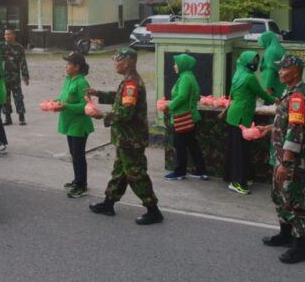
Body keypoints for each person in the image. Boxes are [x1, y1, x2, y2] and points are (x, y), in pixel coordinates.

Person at [86, 47, 163, 225]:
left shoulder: (132, 84)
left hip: (131, 138)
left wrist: (102, 116)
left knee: (136, 174)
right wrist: (98, 94)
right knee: (120, 172)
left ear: (127, 62)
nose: (115, 63)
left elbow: (126, 112)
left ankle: (153, 210)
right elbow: (120, 98)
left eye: (117, 60)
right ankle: (108, 203)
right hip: (126, 137)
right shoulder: (128, 82)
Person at [259, 55, 305, 264]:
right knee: (279, 196)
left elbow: (296, 129)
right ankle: (285, 235)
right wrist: (268, 128)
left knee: (293, 201)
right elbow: (285, 123)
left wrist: (286, 162)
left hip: (291, 161)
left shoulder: (298, 97)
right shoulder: (289, 93)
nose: (279, 72)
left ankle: (301, 248)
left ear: (295, 71)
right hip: (279, 156)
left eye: (283, 68)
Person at [224, 51, 276, 195]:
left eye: (256, 61)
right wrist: (277, 100)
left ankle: (236, 176)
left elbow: (232, 94)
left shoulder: (238, 74)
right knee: (239, 151)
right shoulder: (249, 78)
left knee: (236, 149)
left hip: (234, 115)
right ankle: (236, 182)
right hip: (241, 117)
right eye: (253, 61)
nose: (255, 64)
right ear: (246, 61)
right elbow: (262, 93)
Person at [54, 52, 93, 198]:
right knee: (74, 154)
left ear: (77, 66)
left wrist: (66, 107)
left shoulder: (82, 82)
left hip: (79, 124)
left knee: (78, 155)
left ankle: (81, 185)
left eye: (69, 64)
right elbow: (65, 97)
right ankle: (77, 180)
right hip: (70, 123)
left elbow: (85, 105)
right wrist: (56, 101)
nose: (66, 66)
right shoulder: (69, 79)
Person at [164, 54, 207, 181]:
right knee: (191, 144)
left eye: (176, 63)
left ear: (183, 64)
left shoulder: (186, 78)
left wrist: (169, 106)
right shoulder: (187, 76)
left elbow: (182, 96)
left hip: (183, 117)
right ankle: (201, 170)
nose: (174, 66)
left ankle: (180, 171)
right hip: (189, 116)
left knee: (180, 144)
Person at [1, 29, 30, 126]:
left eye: (9, 34)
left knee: (18, 97)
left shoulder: (19, 47)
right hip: (3, 77)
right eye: (5, 34)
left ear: (14, 35)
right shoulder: (1, 47)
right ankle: (7, 117)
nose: (7, 36)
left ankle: (21, 117)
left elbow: (23, 62)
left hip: (15, 77)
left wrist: (25, 76)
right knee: (5, 98)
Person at [258, 31, 286, 96]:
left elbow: (271, 70)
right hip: (280, 84)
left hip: (274, 87)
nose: (263, 45)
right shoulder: (279, 48)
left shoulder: (271, 52)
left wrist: (268, 87)